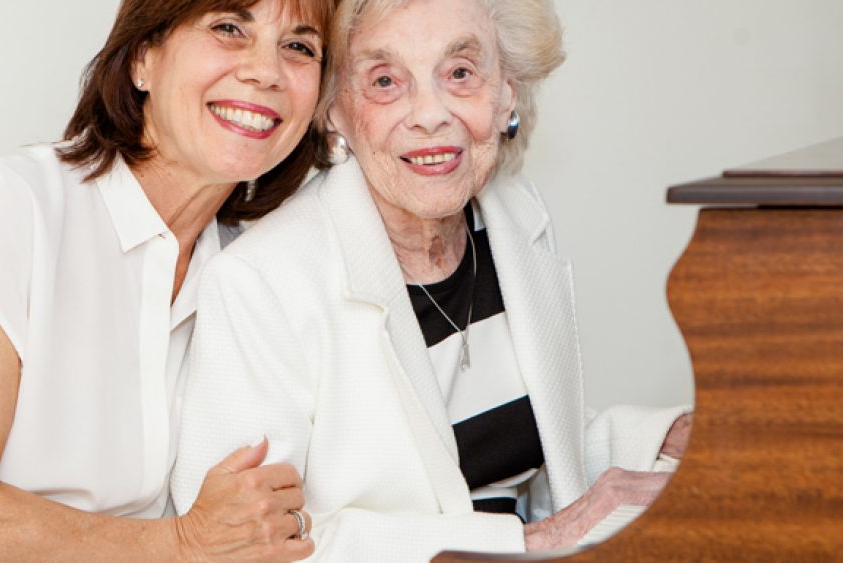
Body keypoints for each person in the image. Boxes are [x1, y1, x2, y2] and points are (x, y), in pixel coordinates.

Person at [0, 0, 335, 560]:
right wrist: (185, 544)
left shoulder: (251, 273)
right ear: (143, 58)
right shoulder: (8, 208)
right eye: (229, 28)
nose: (266, 71)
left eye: (299, 47)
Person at [171, 0, 692, 559]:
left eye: (460, 73)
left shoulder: (515, 219)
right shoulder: (260, 282)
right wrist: (526, 540)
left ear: (507, 94)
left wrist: (662, 439)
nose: (429, 114)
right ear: (335, 110)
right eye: (385, 81)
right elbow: (249, 545)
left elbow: (530, 452)